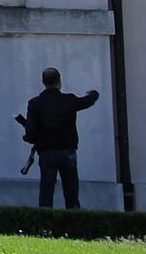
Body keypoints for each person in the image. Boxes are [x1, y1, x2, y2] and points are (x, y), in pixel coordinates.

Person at [15, 67, 100, 208]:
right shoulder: (69, 100)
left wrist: (28, 137)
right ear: (59, 81)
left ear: (43, 82)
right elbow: (87, 101)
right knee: (71, 192)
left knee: (47, 191)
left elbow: (31, 131)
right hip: (68, 151)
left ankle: (46, 225)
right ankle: (74, 222)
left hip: (47, 152)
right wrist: (94, 94)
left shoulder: (35, 103)